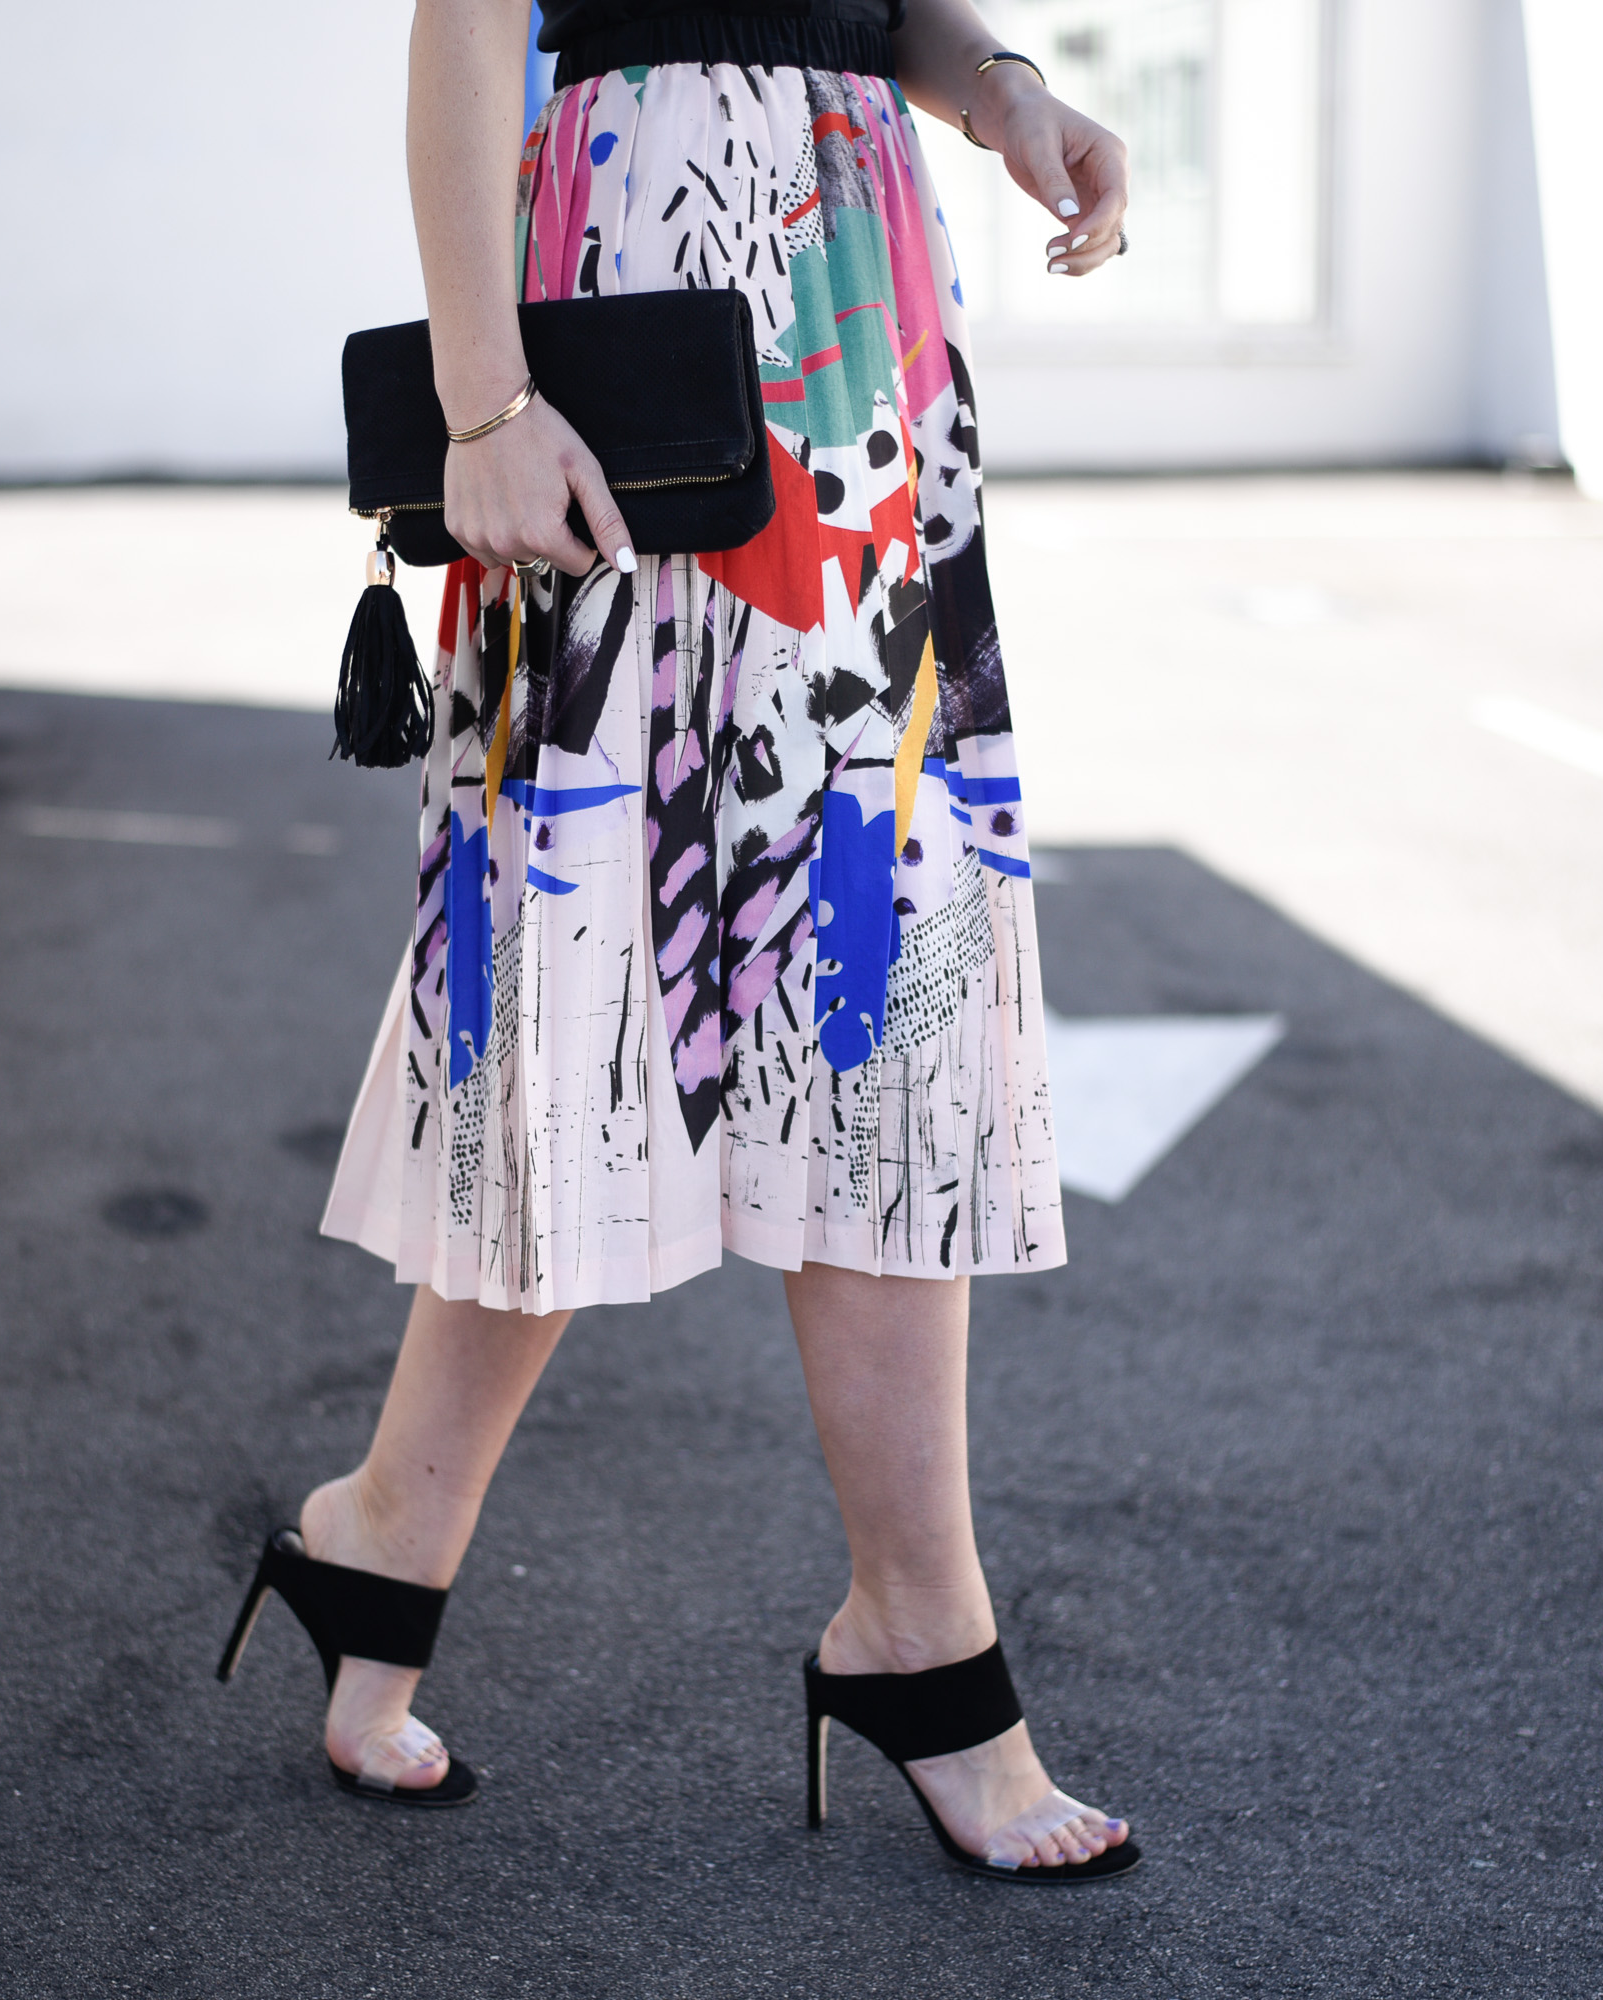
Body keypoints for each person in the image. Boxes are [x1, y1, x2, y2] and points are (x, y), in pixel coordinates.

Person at [219, 0, 1135, 1880]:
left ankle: (873, 1608)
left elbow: (883, 8)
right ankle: (420, 1531)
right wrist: (481, 401)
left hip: (854, 323)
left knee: (873, 977)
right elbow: (469, 23)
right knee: (575, 971)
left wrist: (1006, 98)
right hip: (623, 322)